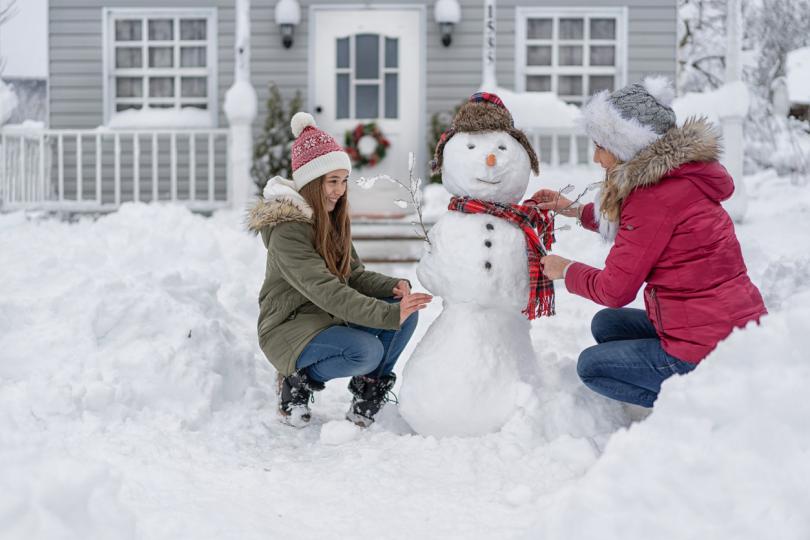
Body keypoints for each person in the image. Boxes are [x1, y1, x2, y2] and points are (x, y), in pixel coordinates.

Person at [532, 77, 767, 408]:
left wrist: (564, 269)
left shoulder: (653, 198)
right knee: (607, 325)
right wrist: (569, 208)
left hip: (704, 349)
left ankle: (693, 403)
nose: (597, 157)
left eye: (601, 146)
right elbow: (637, 226)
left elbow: (615, 290)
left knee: (592, 367)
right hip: (731, 329)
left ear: (626, 147)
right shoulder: (678, 178)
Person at [248, 112, 432, 427]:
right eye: (332, 182)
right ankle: (297, 382)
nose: (340, 190)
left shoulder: (332, 221)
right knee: (366, 349)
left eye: (343, 181)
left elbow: (354, 276)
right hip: (288, 328)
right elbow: (327, 291)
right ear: (310, 184)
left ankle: (368, 392)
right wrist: (388, 315)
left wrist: (393, 287)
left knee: (405, 314)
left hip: (325, 320)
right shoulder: (287, 231)